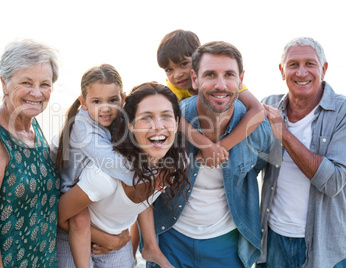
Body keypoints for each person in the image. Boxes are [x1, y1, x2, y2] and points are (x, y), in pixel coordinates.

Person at [148, 41, 272, 268]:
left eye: (229, 75)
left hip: (227, 245)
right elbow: (143, 177)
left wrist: (221, 147)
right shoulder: (170, 120)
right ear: (195, 79)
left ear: (241, 79)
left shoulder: (258, 129)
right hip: (170, 240)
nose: (221, 84)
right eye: (210, 75)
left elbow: (263, 170)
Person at [57, 82, 189, 267]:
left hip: (118, 239)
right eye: (146, 117)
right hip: (73, 234)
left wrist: (149, 247)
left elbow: (143, 201)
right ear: (131, 125)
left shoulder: (168, 166)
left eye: (166, 116)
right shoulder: (104, 177)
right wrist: (106, 239)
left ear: (176, 123)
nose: (158, 126)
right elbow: (58, 216)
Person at [0, 39, 60, 267]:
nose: (37, 93)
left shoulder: (31, 126)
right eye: (26, 82)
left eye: (44, 84)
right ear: (4, 83)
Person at [257, 37, 346, 268]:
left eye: (310, 63)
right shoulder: (268, 105)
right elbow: (248, 164)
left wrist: (283, 132)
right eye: (293, 64)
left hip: (325, 246)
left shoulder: (342, 112)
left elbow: (334, 182)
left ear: (324, 69)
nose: (301, 72)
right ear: (282, 70)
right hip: (273, 238)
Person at [156, 29, 266, 167]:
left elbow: (258, 110)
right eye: (168, 70)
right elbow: (174, 118)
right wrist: (206, 146)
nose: (177, 74)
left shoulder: (226, 83)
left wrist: (222, 147)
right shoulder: (174, 88)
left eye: (183, 64)